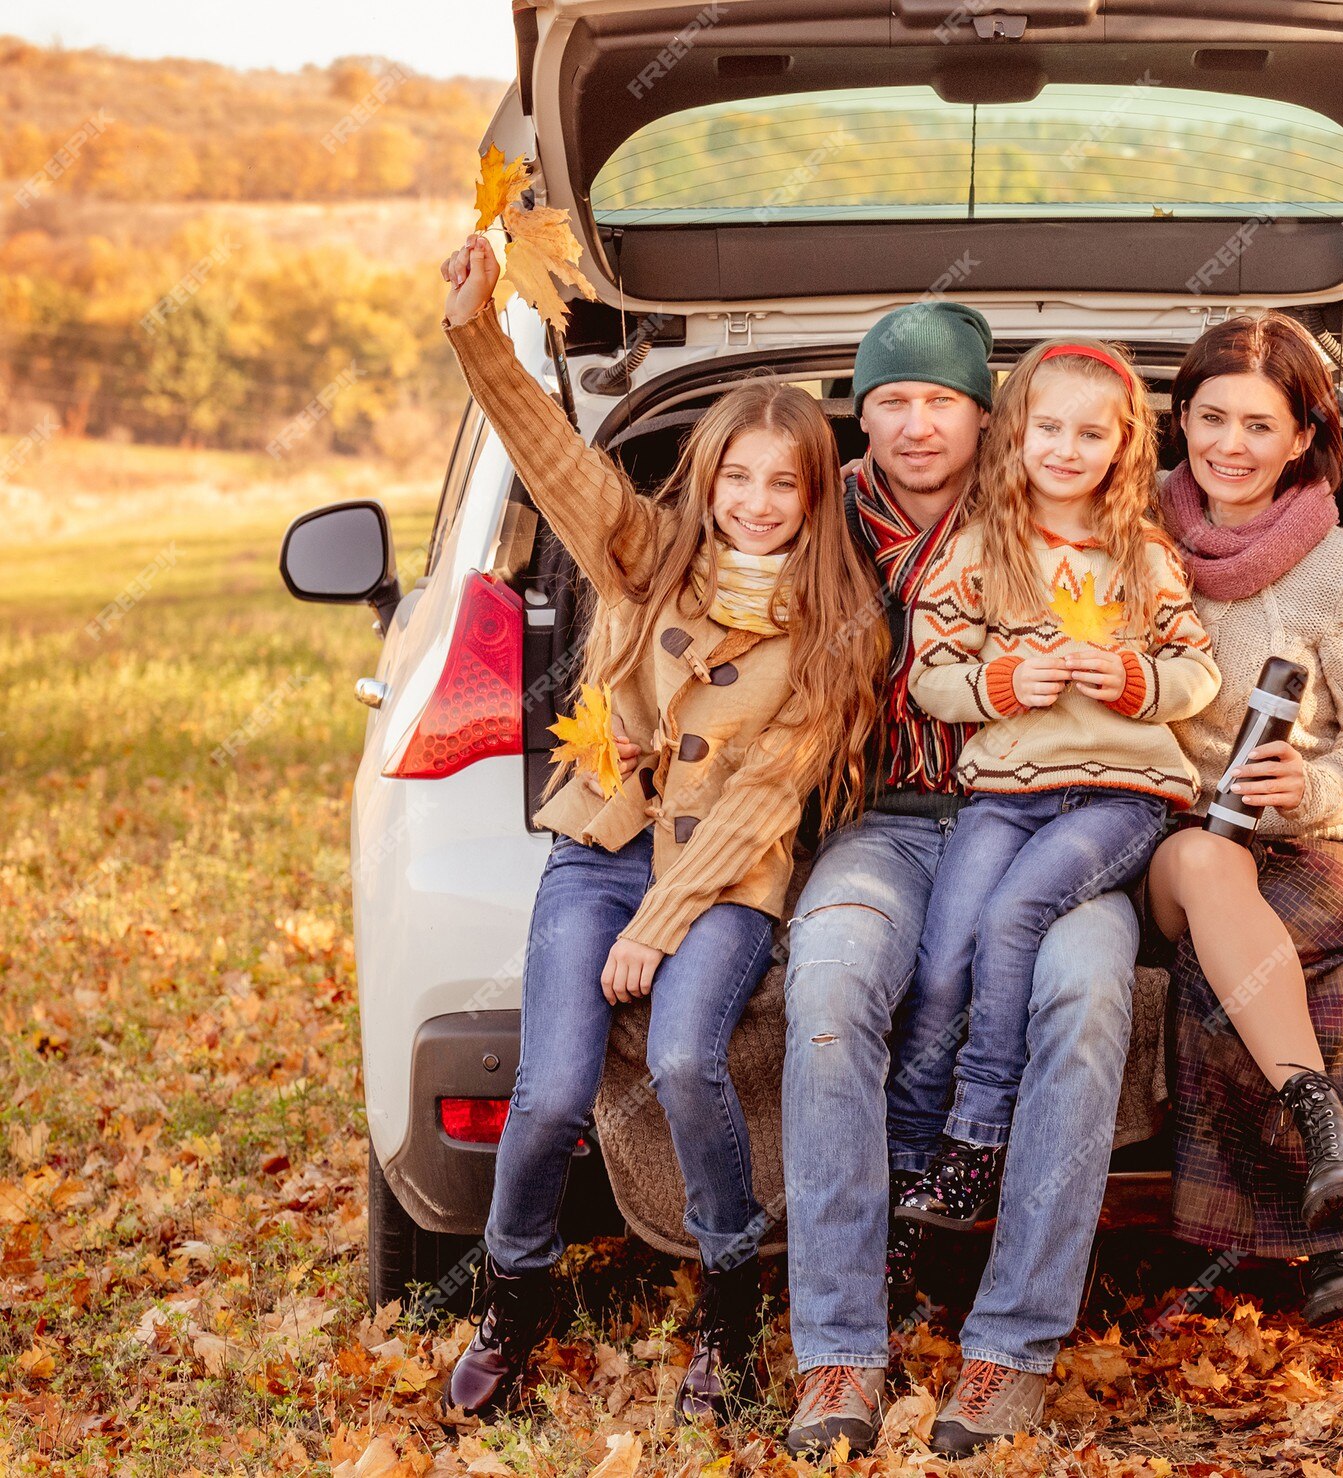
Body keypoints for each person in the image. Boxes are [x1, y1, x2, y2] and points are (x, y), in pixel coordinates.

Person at [434, 235, 885, 1419]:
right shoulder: (644, 552)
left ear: (815, 492)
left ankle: (729, 1305)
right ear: (706, 473)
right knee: (547, 1091)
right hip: (603, 845)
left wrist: (660, 922)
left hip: (724, 872)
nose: (754, 500)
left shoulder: (838, 627)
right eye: (737, 474)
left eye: (782, 481)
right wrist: (479, 328)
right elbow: (545, 448)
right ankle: (512, 1295)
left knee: (687, 1056)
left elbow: (763, 796)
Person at [779, 303, 1144, 1459]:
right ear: (860, 411)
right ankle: (838, 1339)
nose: (914, 422)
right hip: (883, 825)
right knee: (831, 986)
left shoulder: (1056, 503)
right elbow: (660, 553)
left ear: (988, 415)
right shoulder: (812, 509)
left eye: (941, 399)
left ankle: (1008, 1349)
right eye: (889, 398)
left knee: (1086, 1001)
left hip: (1051, 825)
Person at [892, 340, 1219, 1229]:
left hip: (1120, 796)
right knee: (943, 957)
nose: (1067, 450)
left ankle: (976, 1138)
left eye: (1090, 433)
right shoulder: (976, 552)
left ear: (1123, 447)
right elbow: (929, 676)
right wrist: (1001, 686)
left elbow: (1197, 675)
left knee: (1014, 916)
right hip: (1005, 790)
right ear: (1016, 434)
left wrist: (1128, 678)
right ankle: (912, 1169)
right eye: (1049, 429)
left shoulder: (1143, 557)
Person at [1146, 313, 1343, 1322]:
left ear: (1302, 436)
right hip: (1175, 835)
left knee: (1288, 945)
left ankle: (1306, 1224)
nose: (1229, 444)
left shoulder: (1339, 570)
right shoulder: (1131, 543)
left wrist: (1302, 790)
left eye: (1258, 425)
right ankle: (1333, 1220)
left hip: (1325, 832)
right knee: (1217, 894)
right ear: (1178, 419)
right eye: (1210, 417)